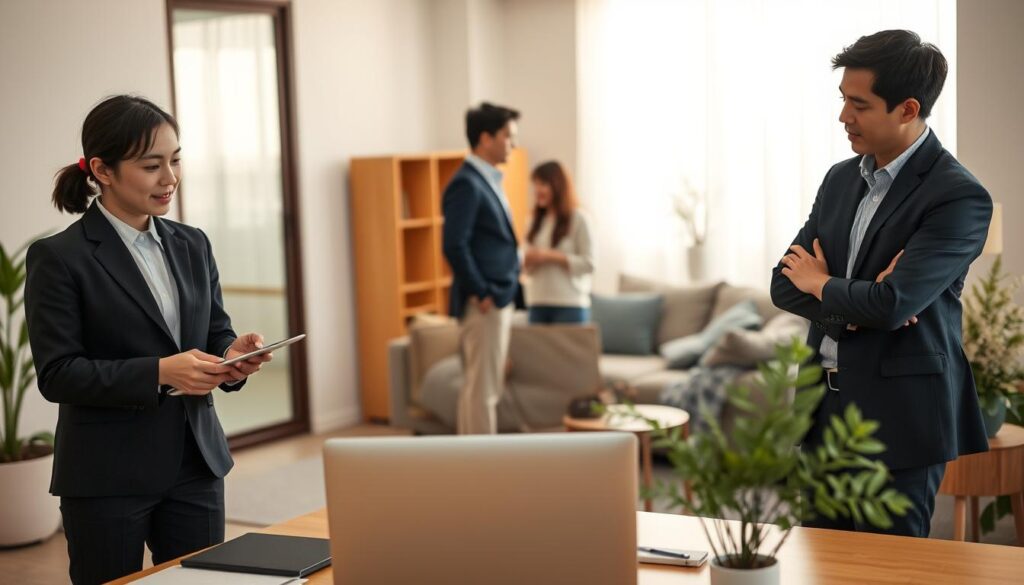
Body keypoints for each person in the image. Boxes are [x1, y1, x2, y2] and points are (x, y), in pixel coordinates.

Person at [24, 95, 272, 584]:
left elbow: (213, 331)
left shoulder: (192, 242)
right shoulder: (59, 257)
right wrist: (160, 371)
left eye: (175, 160)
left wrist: (231, 355)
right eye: (151, 165)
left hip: (194, 462)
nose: (170, 178)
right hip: (106, 475)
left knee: (203, 582)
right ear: (103, 170)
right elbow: (58, 373)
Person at [771, 30, 992, 538]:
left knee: (888, 570)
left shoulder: (958, 197)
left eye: (859, 104)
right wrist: (852, 299)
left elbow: (892, 305)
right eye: (842, 100)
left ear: (907, 108)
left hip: (898, 423)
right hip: (822, 415)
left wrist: (823, 283)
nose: (843, 117)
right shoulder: (839, 179)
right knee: (821, 565)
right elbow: (784, 286)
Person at [442, 102, 524, 435]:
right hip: (485, 302)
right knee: (482, 392)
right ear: (486, 138)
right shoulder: (468, 183)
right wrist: (481, 292)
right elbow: (454, 245)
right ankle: (482, 471)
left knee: (480, 390)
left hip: (496, 296)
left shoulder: (487, 179)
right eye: (508, 136)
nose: (513, 144)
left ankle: (471, 467)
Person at [523, 161, 594, 324]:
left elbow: (590, 263)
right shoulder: (533, 221)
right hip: (537, 302)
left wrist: (551, 257)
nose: (537, 190)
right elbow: (524, 263)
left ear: (557, 185)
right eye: (535, 185)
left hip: (570, 304)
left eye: (543, 184)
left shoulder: (579, 219)